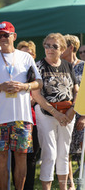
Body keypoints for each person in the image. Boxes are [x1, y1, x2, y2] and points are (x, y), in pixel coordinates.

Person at [0, 21, 42, 190]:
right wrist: (0, 87)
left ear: (14, 36)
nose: (2, 38)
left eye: (6, 35)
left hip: (22, 116)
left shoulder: (26, 57)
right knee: (0, 158)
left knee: (21, 156)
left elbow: (39, 83)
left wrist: (24, 86)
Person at [32, 33, 78, 190]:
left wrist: (72, 110)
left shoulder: (68, 66)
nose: (50, 49)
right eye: (47, 45)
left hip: (67, 114)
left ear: (63, 49)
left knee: (64, 154)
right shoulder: (38, 66)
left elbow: (76, 90)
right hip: (46, 114)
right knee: (49, 154)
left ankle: (64, 188)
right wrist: (56, 113)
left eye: (54, 46)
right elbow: (36, 95)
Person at [11, 40, 40, 190]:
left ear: (33, 55)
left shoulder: (38, 70)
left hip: (34, 119)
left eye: (28, 53)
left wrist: (33, 99)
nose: (25, 56)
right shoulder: (13, 68)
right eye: (22, 53)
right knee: (16, 158)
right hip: (15, 118)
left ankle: (29, 187)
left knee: (31, 157)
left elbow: (42, 91)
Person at [61, 34, 85, 190]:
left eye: (62, 47)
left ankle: (82, 180)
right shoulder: (60, 66)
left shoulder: (83, 66)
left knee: (83, 148)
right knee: (66, 149)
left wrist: (83, 116)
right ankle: (71, 184)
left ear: (71, 47)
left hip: (81, 112)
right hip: (65, 113)